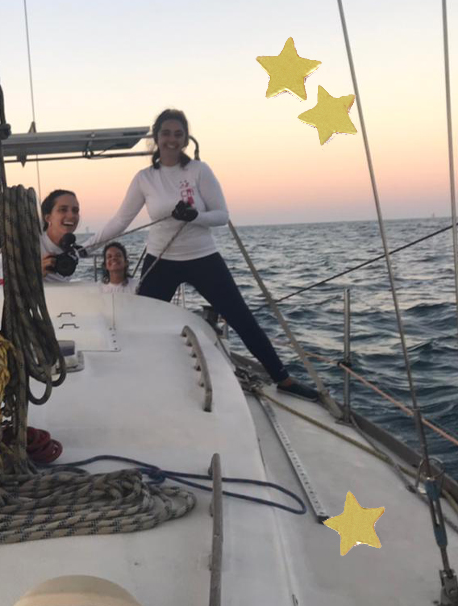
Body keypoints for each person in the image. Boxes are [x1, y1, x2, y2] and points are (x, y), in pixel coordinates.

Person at [90, 109, 318, 400]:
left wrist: (195, 215)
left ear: (185, 139)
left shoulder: (199, 170)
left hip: (202, 258)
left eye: (178, 134)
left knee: (240, 317)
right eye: (166, 133)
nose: (171, 139)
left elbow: (221, 215)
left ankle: (283, 379)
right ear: (155, 138)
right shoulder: (144, 178)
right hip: (161, 260)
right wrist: (86, 248)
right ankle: (131, 375)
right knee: (138, 319)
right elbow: (120, 221)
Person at [40, 189, 83, 282]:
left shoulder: (73, 252)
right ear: (48, 218)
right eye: (63, 209)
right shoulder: (30, 247)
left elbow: (118, 223)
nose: (71, 215)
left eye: (75, 210)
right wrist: (36, 274)